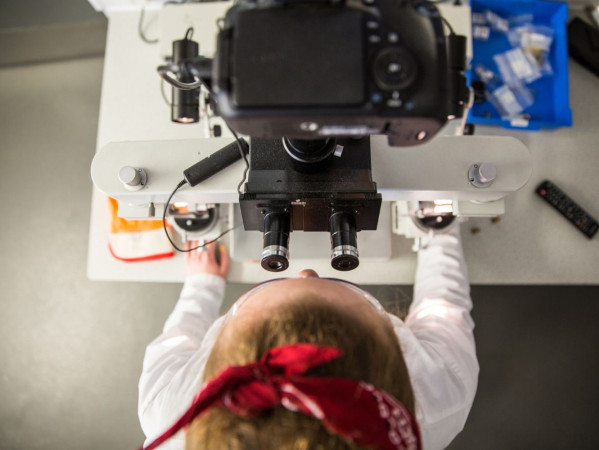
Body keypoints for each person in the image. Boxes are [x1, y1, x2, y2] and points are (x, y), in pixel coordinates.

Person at [138, 226, 479, 450]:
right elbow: (443, 305)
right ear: (393, 344)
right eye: (332, 283)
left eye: (280, 284)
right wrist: (439, 230)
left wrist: (203, 284)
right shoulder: (441, 396)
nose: (304, 272)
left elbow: (181, 336)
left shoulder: (168, 412)